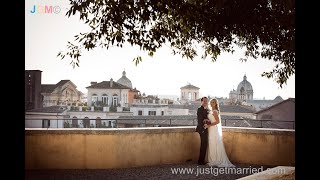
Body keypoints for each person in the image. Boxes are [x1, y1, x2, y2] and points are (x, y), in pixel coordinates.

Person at [204, 98, 235, 167]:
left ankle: (216, 160)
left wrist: (209, 125)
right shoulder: (211, 111)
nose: (212, 103)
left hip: (214, 129)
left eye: (214, 102)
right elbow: (212, 119)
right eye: (211, 102)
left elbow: (217, 121)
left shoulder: (215, 111)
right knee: (211, 144)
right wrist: (207, 120)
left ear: (216, 104)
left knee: (214, 143)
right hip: (211, 129)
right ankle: (212, 159)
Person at [196, 97, 209, 165]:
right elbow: (199, 121)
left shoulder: (207, 109)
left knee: (204, 145)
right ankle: (200, 161)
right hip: (202, 130)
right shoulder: (199, 109)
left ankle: (201, 160)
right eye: (204, 101)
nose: (205, 102)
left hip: (206, 129)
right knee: (203, 145)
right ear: (201, 102)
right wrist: (203, 130)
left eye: (206, 101)